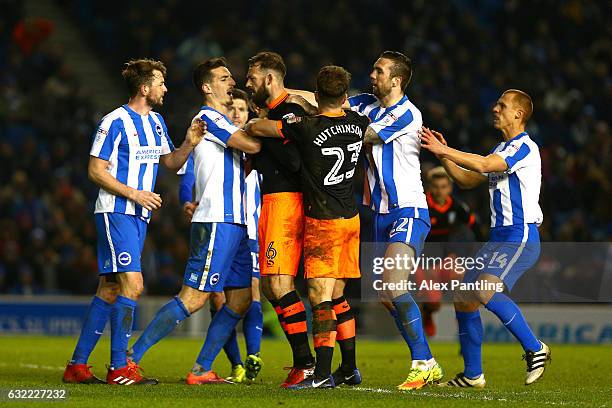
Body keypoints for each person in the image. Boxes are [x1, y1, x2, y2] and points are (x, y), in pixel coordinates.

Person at [288, 50, 443, 390]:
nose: (372, 76)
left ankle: (424, 361)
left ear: (397, 80)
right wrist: (283, 94)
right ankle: (421, 359)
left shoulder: (406, 113)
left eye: (379, 71)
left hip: (408, 209)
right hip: (377, 214)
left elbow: (363, 135)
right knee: (387, 295)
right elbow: (324, 101)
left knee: (393, 282)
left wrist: (320, 120)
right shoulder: (363, 102)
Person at [63, 59, 206, 385]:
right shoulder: (113, 121)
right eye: (160, 82)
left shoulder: (156, 122)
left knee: (111, 288)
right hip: (117, 210)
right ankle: (119, 368)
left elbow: (169, 161)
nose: (165, 88)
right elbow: (95, 170)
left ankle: (77, 366)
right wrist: (136, 194)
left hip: (137, 216)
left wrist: (189, 143)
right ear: (145, 88)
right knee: (134, 285)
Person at [127, 57, 262, 385]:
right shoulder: (208, 117)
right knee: (195, 297)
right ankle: (131, 357)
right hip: (217, 219)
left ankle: (201, 368)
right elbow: (251, 145)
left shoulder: (225, 119)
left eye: (231, 77)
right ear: (207, 87)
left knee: (242, 299)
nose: (231, 82)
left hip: (238, 223)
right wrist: (273, 127)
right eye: (223, 77)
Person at [246, 65, 369, 389]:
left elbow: (264, 128)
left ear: (316, 96)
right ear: (344, 96)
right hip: (351, 219)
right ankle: (350, 368)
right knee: (338, 294)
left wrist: (255, 121)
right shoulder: (358, 123)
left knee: (319, 296)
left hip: (324, 220)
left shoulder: (307, 127)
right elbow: (341, 108)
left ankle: (322, 373)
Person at [419, 89, 551, 388]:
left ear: (518, 113)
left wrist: (443, 151)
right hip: (497, 236)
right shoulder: (503, 149)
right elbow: (468, 179)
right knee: (464, 297)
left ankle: (535, 348)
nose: (495, 108)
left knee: (481, 290)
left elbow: (483, 165)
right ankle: (473, 374)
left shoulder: (524, 147)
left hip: (519, 234)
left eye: (502, 105)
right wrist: (444, 153)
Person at [179, 88, 264, 383]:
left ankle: (252, 355)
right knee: (217, 299)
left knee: (249, 294)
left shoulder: (258, 148)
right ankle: (235, 364)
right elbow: (187, 173)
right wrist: (186, 200)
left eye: (243, 109)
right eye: (234, 109)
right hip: (219, 224)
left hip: (251, 231)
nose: (238, 113)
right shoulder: (213, 141)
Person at [245, 51, 315, 387]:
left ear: (270, 78)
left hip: (287, 203)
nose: (248, 83)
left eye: (252, 76)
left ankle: (306, 362)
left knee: (278, 285)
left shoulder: (290, 111)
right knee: (273, 288)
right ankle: (304, 359)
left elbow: (295, 162)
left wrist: (260, 132)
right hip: (273, 203)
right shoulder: (276, 113)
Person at [419, 166, 480, 337]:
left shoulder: (457, 206)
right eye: (437, 187)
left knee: (461, 285)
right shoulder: (421, 205)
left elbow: (475, 227)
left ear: (450, 188)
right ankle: (428, 313)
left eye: (444, 186)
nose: (440, 191)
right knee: (434, 303)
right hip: (423, 261)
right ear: (430, 188)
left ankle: (464, 329)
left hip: (447, 258)